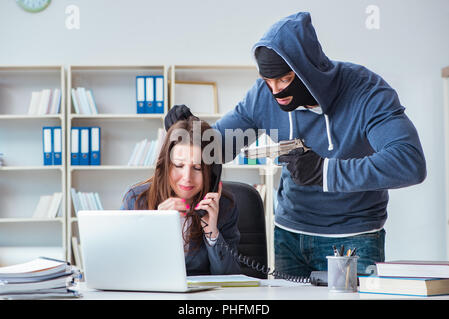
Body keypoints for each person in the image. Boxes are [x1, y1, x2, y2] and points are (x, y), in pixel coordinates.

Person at [164, 12, 427, 277]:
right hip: (289, 236)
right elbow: (220, 147)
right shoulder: (262, 96)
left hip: (354, 237)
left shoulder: (367, 92)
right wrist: (191, 133)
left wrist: (325, 171)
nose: (276, 90)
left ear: (307, 70)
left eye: (284, 80)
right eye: (268, 81)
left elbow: (409, 162)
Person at [120, 117, 241, 276]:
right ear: (166, 165)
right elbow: (124, 269)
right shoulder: (136, 200)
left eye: (197, 168)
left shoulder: (225, 206)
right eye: (179, 166)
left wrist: (212, 232)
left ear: (211, 172)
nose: (187, 177)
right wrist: (155, 229)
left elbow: (231, 277)